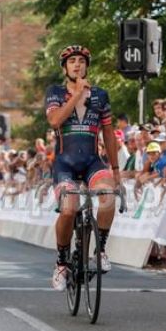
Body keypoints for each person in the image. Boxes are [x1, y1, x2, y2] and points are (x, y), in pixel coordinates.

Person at [45, 45, 120, 291]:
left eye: (81, 61)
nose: (77, 65)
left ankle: (100, 251)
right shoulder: (55, 92)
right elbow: (55, 120)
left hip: (91, 161)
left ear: (87, 65)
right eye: (72, 61)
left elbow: (108, 134)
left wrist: (116, 169)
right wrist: (76, 95)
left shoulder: (100, 95)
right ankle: (61, 263)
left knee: (108, 197)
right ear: (65, 67)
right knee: (68, 210)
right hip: (64, 163)